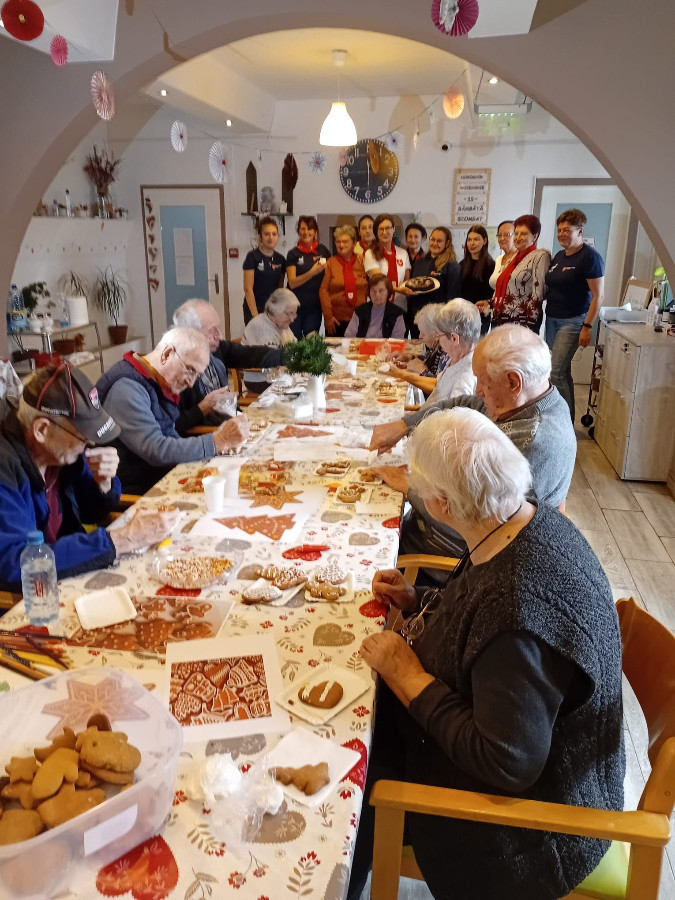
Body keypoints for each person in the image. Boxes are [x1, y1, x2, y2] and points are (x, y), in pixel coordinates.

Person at [348, 407, 623, 900]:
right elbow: (476, 620)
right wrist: (420, 602)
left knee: (354, 769)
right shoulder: (526, 520)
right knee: (359, 709)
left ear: (441, 505)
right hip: (535, 763)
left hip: (531, 834)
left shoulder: (517, 604)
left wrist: (408, 676)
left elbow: (507, 761)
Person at [370, 325, 577, 579]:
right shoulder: (528, 399)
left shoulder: (537, 441)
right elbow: (464, 404)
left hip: (457, 561)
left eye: (482, 380)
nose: (477, 389)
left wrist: (411, 487)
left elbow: (476, 525)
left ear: (513, 382)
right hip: (443, 531)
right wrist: (405, 424)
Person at [0, 363, 177, 591]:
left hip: (68, 573)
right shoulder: (6, 468)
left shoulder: (60, 454)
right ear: (41, 430)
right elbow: (17, 565)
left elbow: (94, 513)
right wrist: (122, 539)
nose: (90, 444)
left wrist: (103, 484)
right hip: (31, 597)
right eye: (82, 436)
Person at [97, 328, 249, 495]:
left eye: (196, 375)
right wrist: (217, 441)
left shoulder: (156, 381)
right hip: (139, 493)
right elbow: (157, 450)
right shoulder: (126, 389)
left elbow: (171, 436)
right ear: (167, 354)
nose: (191, 383)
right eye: (190, 370)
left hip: (163, 478)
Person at [173, 299, 287, 427]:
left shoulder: (216, 349)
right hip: (210, 437)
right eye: (212, 331)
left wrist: (294, 356)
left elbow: (251, 355)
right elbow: (174, 427)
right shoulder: (175, 370)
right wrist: (202, 408)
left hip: (232, 421)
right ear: (190, 334)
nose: (220, 336)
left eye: (219, 328)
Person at [545, 208, 605, 421]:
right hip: (551, 320)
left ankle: (563, 423)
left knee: (555, 372)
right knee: (563, 372)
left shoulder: (590, 257)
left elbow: (598, 296)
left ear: (580, 231)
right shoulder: (560, 256)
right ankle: (566, 418)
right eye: (559, 230)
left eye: (566, 230)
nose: (561, 234)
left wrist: (587, 327)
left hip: (572, 322)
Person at [400, 299, 478, 407]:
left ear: (454, 338)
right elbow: (438, 388)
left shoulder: (463, 383)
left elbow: (449, 419)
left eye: (439, 335)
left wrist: (400, 374)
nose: (438, 340)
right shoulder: (455, 360)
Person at [481, 214, 550, 332]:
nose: (518, 237)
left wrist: (529, 326)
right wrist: (490, 303)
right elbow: (510, 290)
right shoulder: (514, 258)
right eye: (516, 233)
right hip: (500, 319)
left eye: (523, 234)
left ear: (535, 236)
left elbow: (537, 295)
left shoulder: (540, 256)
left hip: (521, 322)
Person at [405, 226, 462, 336]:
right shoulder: (419, 262)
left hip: (436, 321)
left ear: (447, 243)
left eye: (439, 241)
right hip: (416, 317)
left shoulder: (452, 266)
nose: (435, 243)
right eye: (432, 239)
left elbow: (453, 298)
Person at [241, 288, 299, 392]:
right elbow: (271, 366)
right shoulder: (262, 327)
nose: (292, 319)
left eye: (294, 313)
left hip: (277, 376)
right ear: (275, 311)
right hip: (260, 380)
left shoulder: (281, 324)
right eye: (288, 313)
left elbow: (296, 347)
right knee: (301, 389)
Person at [319, 225, 368, 336]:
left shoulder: (362, 262)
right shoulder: (330, 263)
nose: (341, 245)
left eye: (345, 241)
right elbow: (323, 290)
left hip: (359, 319)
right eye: (338, 241)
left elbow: (369, 287)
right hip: (336, 321)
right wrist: (328, 317)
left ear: (354, 243)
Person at [285, 215, 330, 338]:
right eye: (303, 229)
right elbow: (292, 283)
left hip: (314, 307)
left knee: (311, 344)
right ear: (298, 231)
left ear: (315, 231)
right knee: (294, 343)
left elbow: (333, 271)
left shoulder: (323, 251)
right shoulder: (293, 254)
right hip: (294, 308)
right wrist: (312, 272)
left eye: (309, 229)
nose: (306, 232)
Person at [388, 303, 446, 395]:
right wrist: (409, 358)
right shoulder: (436, 345)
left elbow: (439, 388)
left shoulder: (446, 351)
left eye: (423, 333)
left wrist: (423, 371)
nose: (420, 336)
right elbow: (429, 360)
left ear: (436, 334)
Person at [364, 214, 412, 312]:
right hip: (378, 305)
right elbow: (380, 281)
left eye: (387, 228)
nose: (384, 232)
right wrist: (399, 290)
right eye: (381, 229)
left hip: (400, 305)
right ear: (376, 232)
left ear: (393, 229)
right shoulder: (370, 253)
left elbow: (407, 281)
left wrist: (409, 289)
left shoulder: (403, 253)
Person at [242, 216, 286, 325]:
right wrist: (255, 316)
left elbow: (279, 288)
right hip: (254, 309)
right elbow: (248, 289)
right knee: (257, 341)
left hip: (272, 310)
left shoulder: (280, 259)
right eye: (267, 234)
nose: (271, 237)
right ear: (260, 236)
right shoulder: (252, 257)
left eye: (274, 234)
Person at [344, 274, 405, 339]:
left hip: (387, 348)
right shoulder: (360, 311)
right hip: (362, 347)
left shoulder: (397, 313)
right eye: (373, 291)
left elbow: (397, 339)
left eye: (381, 291)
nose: (377, 294)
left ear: (388, 292)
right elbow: (349, 335)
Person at [459, 224, 495, 334]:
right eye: (469, 239)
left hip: (480, 316)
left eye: (476, 239)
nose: (472, 243)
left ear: (484, 241)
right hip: (462, 314)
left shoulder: (491, 265)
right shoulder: (462, 264)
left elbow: (490, 293)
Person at [488, 220, 517, 290]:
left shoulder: (521, 259)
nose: (502, 238)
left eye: (507, 235)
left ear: (517, 236)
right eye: (499, 235)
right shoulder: (499, 259)